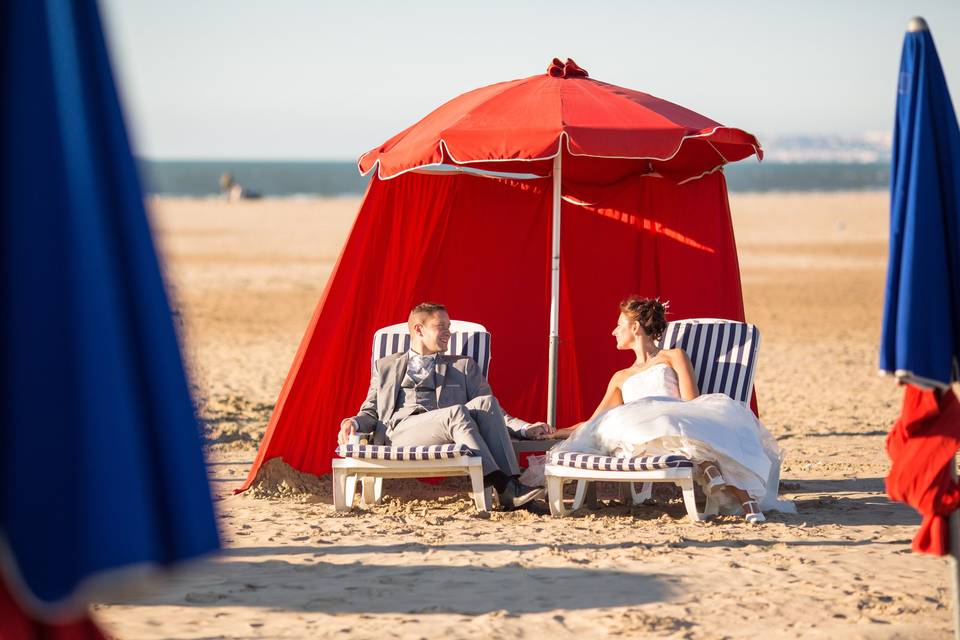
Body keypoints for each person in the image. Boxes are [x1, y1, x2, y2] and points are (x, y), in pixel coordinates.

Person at [552, 296, 794, 523]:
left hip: (679, 415)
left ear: (635, 328)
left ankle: (743, 496)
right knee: (622, 426)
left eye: (619, 325)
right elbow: (595, 421)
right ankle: (708, 468)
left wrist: (672, 413)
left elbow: (692, 401)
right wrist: (555, 432)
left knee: (674, 424)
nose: (613, 331)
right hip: (636, 426)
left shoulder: (673, 357)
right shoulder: (620, 377)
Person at [338, 302, 553, 509]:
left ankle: (511, 489)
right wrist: (353, 422)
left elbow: (494, 412)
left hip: (447, 430)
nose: (448, 332)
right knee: (456, 412)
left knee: (486, 402)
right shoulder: (385, 366)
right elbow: (371, 411)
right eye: (441, 326)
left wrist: (525, 428)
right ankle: (505, 486)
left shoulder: (463, 365)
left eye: (449, 327)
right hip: (399, 433)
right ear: (418, 329)